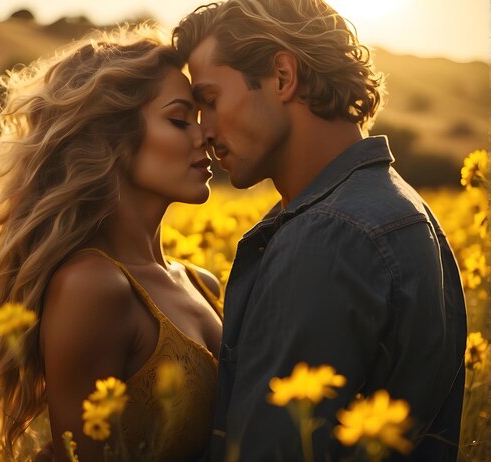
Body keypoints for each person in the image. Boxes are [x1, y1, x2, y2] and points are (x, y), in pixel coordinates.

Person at [173, 1, 467, 460]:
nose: (203, 131)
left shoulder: (328, 237)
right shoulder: (404, 209)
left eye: (210, 101)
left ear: (284, 77)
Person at [0, 27, 223, 461]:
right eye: (180, 120)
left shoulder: (201, 282)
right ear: (111, 138)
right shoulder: (92, 287)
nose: (204, 136)